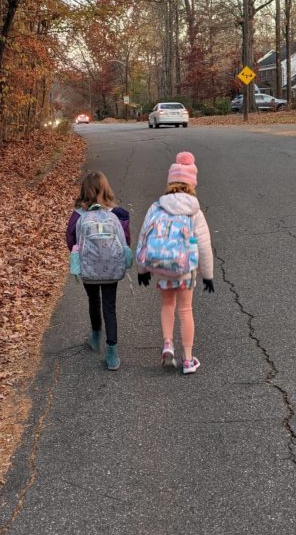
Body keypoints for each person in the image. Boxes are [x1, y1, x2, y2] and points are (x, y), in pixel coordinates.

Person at [136, 152, 214, 374]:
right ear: (191, 183)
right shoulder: (194, 211)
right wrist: (208, 275)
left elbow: (144, 236)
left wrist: (143, 269)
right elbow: (204, 246)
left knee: (167, 305)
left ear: (170, 182)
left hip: (161, 268)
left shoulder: (156, 207)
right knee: (185, 309)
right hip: (185, 270)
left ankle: (168, 346)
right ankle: (188, 359)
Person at [66, 171, 131, 370]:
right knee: (109, 306)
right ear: (105, 188)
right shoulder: (117, 213)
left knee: (93, 300)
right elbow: (125, 240)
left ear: (84, 191)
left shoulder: (78, 214)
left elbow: (70, 240)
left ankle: (95, 336)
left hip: (89, 268)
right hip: (111, 268)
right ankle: (112, 354)